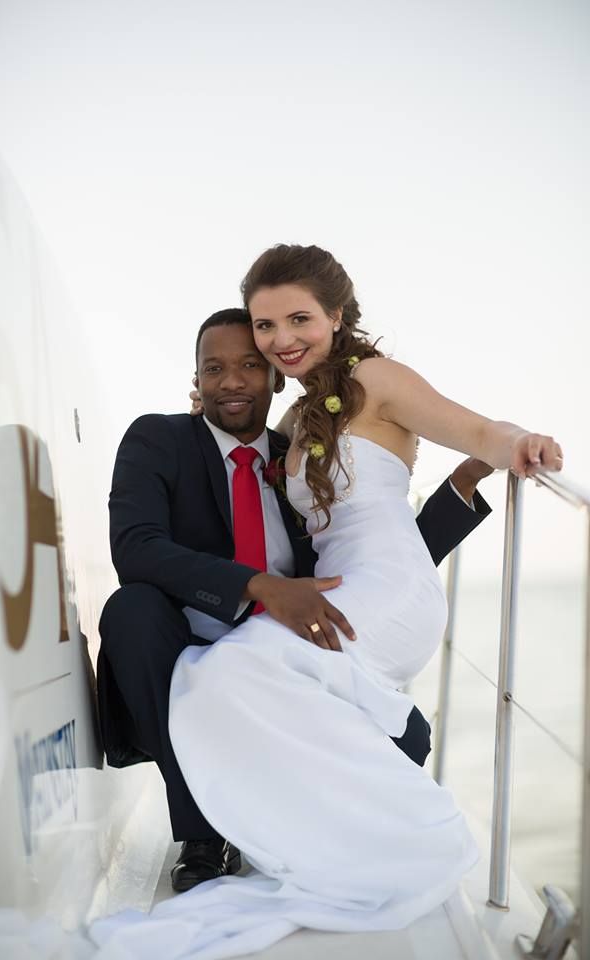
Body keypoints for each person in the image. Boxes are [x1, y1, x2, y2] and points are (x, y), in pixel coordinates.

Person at [97, 306, 494, 898]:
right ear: (197, 380)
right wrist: (257, 586)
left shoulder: (298, 457)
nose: (230, 381)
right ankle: (203, 834)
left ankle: (293, 819)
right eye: (213, 369)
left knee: (407, 746)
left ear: (275, 378)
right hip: (188, 643)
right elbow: (136, 548)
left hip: (292, 652)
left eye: (248, 367)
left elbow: (360, 552)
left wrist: (460, 490)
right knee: (129, 611)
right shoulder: (158, 439)